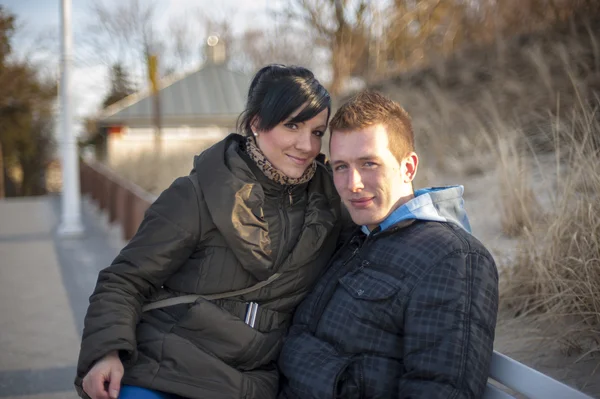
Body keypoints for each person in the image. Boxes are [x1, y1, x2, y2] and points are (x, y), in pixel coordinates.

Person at [75, 64, 345, 399]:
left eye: (318, 132)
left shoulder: (332, 202)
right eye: (293, 125)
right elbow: (125, 279)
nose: (307, 145)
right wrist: (106, 351)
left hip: (251, 382)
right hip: (166, 370)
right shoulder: (198, 193)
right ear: (256, 123)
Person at [278, 90, 499, 399]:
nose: (352, 183)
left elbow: (439, 388)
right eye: (341, 166)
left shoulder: (453, 258)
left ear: (408, 168)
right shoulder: (357, 236)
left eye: (369, 163)